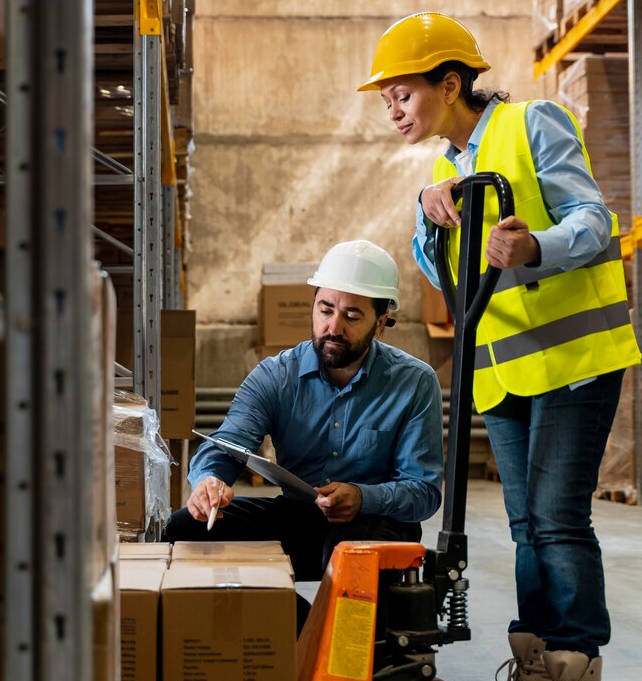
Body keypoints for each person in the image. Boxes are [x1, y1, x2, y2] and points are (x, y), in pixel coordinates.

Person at [358, 12, 641, 681]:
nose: (391, 108)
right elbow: (443, 268)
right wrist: (426, 210)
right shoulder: (451, 170)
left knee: (557, 520)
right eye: (384, 98)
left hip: (575, 362)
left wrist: (534, 246)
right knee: (524, 527)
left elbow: (595, 220)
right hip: (507, 373)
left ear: (450, 84)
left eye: (401, 92)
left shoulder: (531, 124)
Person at [163, 239, 444, 609]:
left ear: (381, 324)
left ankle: (345, 649)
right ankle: (294, 631)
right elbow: (228, 443)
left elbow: (423, 492)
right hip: (300, 517)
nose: (333, 327)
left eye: (352, 317)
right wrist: (208, 482)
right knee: (184, 529)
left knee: (352, 547)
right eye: (325, 309)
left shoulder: (414, 382)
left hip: (375, 524)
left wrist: (363, 497)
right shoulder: (276, 376)